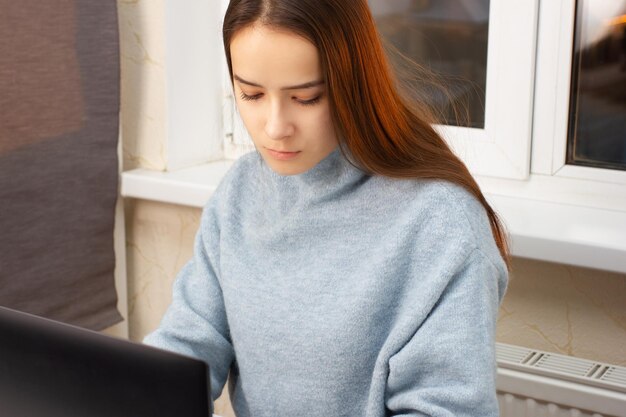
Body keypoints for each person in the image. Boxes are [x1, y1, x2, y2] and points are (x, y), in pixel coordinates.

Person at [144, 0, 509, 416]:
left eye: (306, 98)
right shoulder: (241, 192)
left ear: (355, 84)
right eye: (251, 94)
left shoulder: (440, 223)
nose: (275, 127)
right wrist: (132, 394)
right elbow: (189, 343)